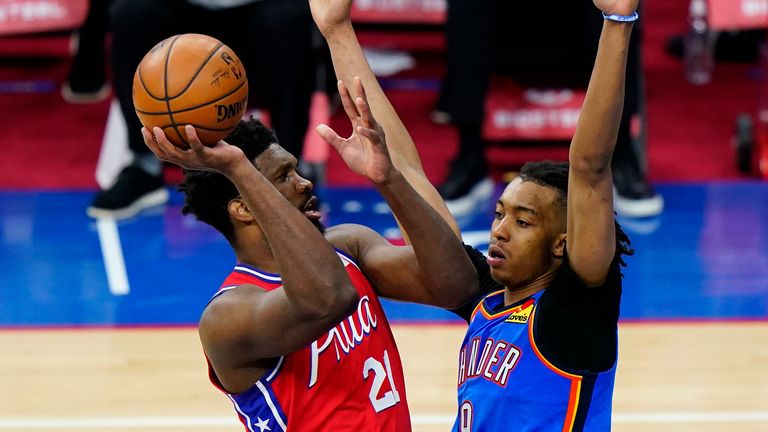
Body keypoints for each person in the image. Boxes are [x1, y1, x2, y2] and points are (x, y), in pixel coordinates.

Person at [312, 0, 635, 429]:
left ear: (563, 243)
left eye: (523, 222)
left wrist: (617, 23)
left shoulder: (574, 314)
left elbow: (591, 167)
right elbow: (407, 172)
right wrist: (337, 30)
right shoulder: (486, 298)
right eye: (500, 214)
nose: (499, 231)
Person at [141, 75, 478, 431]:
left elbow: (457, 285)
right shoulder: (228, 317)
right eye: (284, 176)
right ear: (243, 208)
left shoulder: (349, 246)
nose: (305, 183)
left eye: (296, 169)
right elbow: (328, 298)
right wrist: (238, 167)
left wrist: (388, 179)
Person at [87, 0, 316, 220]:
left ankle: (287, 171)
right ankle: (144, 166)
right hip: (182, 16)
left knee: (291, 18)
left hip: (257, 12)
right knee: (132, 12)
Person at [434, 0, 662, 218]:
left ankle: (620, 154)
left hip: (577, 18)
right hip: (509, 19)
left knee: (616, 2)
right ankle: (469, 153)